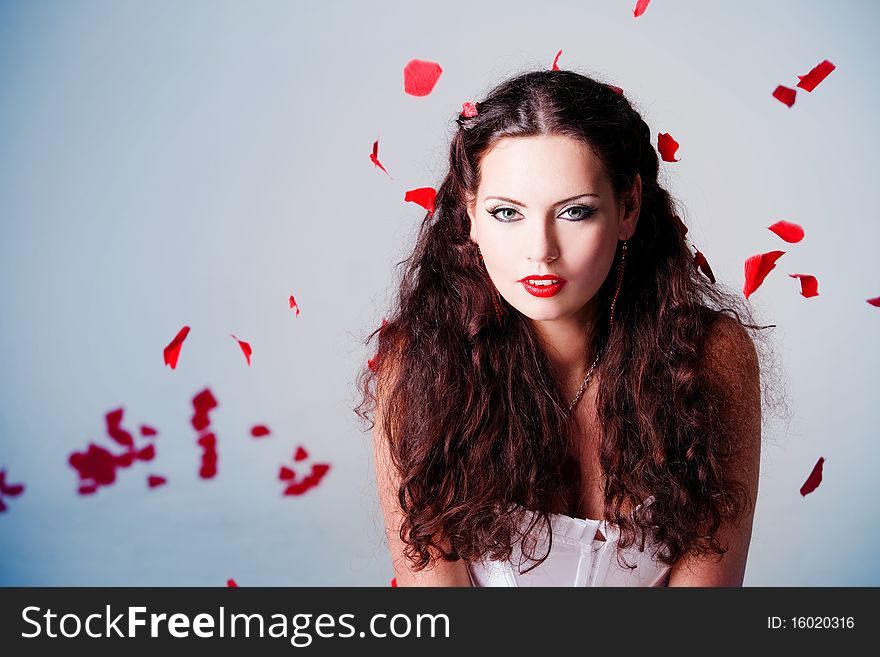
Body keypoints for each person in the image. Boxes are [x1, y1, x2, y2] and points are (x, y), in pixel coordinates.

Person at [355, 68, 773, 586]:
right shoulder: (420, 370)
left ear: (629, 207)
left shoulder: (708, 358)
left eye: (575, 211)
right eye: (507, 212)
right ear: (470, 216)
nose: (540, 251)